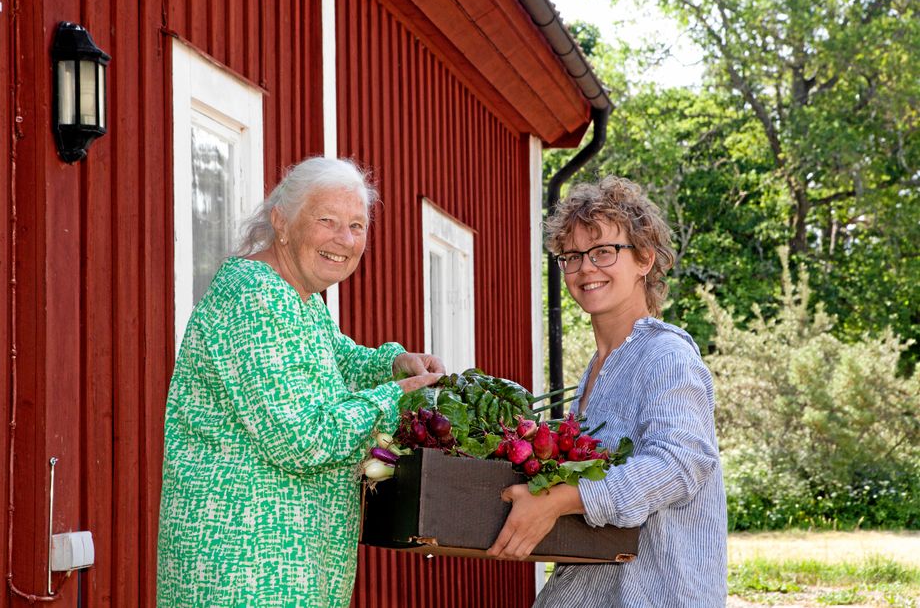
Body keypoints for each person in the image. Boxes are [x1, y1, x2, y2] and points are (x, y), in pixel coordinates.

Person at [156, 157, 444, 608]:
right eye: (327, 220)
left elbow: (335, 359)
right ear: (281, 222)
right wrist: (392, 399)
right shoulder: (256, 297)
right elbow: (300, 439)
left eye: (356, 226)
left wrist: (392, 364)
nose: (345, 239)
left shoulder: (297, 299)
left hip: (289, 562)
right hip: (247, 565)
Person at [488, 176, 727, 606]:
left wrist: (562, 499)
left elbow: (679, 463)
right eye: (572, 256)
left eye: (603, 251)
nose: (585, 268)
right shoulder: (598, 370)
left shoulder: (666, 356)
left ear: (644, 259)